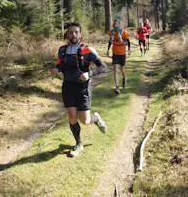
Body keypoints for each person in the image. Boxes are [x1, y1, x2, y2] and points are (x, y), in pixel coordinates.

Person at [52, 22, 107, 158]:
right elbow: (60, 65)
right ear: (67, 34)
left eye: (76, 32)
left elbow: (103, 67)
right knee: (72, 117)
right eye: (71, 32)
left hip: (82, 88)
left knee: (85, 120)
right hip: (68, 87)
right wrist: (56, 69)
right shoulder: (62, 50)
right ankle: (78, 143)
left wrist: (90, 74)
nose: (73, 34)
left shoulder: (87, 50)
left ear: (80, 34)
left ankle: (95, 118)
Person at [106, 19, 131, 95]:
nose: (115, 26)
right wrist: (108, 49)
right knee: (115, 69)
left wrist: (129, 49)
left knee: (122, 69)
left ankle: (124, 79)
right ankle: (117, 87)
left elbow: (128, 41)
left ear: (119, 24)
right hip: (115, 53)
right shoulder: (111, 32)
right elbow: (110, 41)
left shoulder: (124, 32)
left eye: (116, 24)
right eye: (114, 24)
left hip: (122, 53)